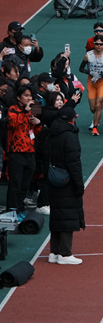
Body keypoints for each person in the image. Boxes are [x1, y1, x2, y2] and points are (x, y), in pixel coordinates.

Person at [45, 106, 86, 264]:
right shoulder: (69, 137)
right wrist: (79, 185)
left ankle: (54, 252)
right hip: (66, 181)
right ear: (71, 119)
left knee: (56, 215)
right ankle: (65, 253)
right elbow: (74, 163)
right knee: (68, 215)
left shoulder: (51, 134)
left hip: (52, 179)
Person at [3, 85, 39, 221]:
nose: (29, 98)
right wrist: (25, 111)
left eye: (30, 96)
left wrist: (38, 122)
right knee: (15, 183)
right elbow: (12, 125)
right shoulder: (13, 110)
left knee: (25, 184)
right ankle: (12, 211)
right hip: (16, 152)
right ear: (19, 97)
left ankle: (20, 207)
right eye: (26, 96)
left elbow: (37, 131)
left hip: (30, 151)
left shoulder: (35, 107)